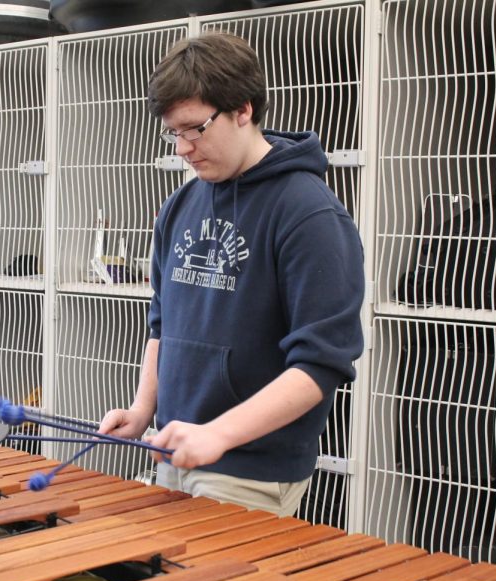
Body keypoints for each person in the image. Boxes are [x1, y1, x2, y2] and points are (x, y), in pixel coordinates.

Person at [98, 32, 365, 517]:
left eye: (193, 128)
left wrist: (219, 434)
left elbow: (321, 365)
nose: (182, 148)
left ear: (243, 109)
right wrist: (142, 410)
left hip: (252, 469)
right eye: (172, 132)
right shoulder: (179, 206)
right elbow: (164, 323)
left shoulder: (308, 214)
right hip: (175, 449)